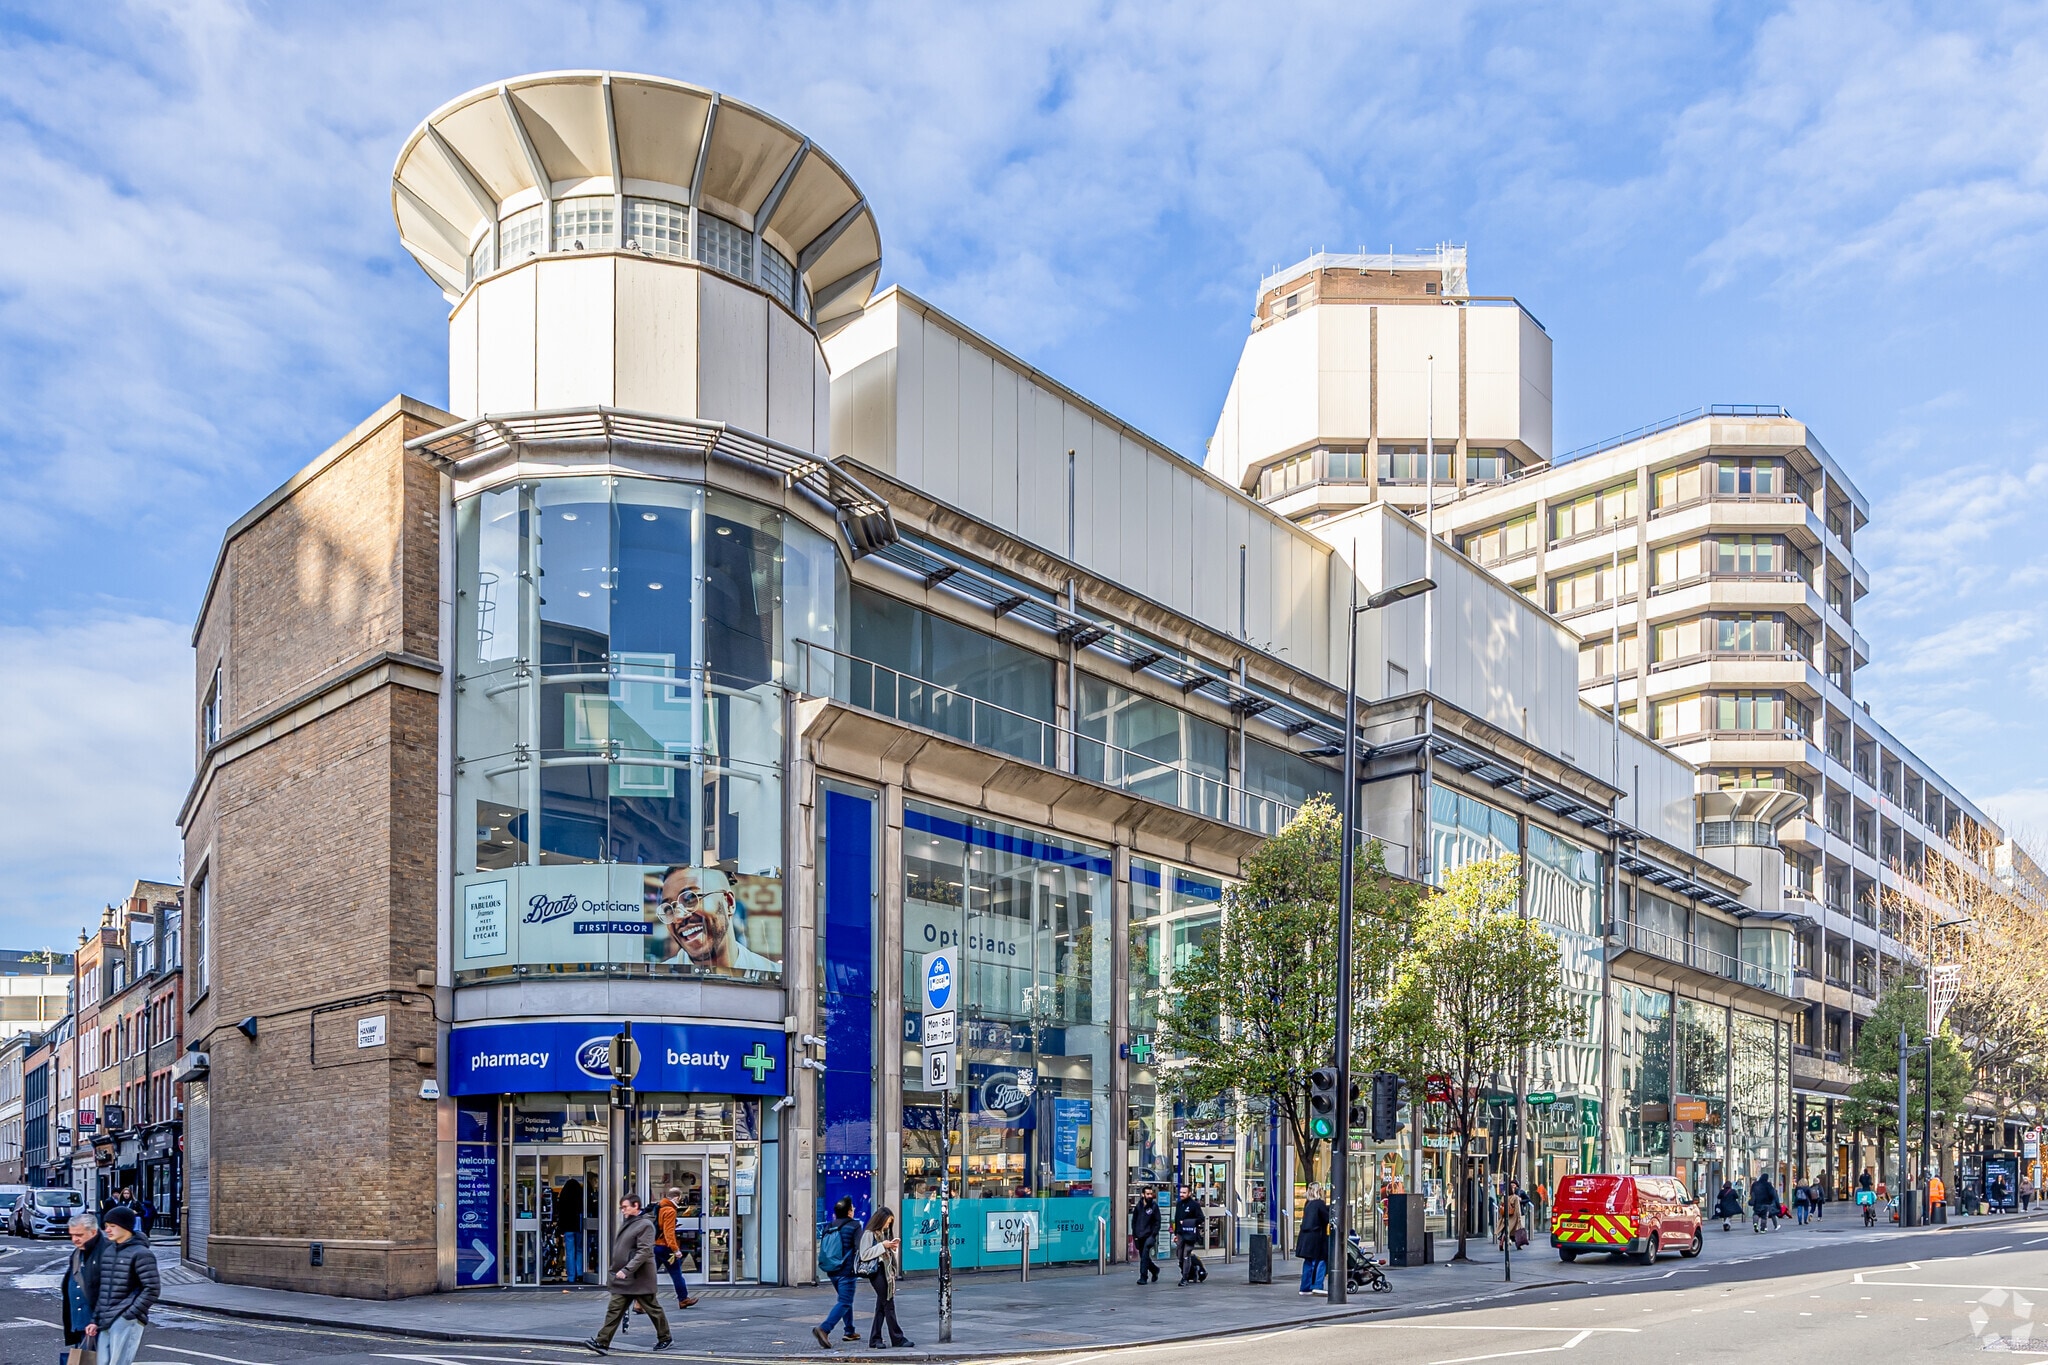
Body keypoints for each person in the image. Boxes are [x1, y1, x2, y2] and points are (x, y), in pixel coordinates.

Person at [584, 1195, 672, 1355]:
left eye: (625, 1207)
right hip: (625, 1279)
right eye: (622, 1207)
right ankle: (602, 1342)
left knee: (653, 1309)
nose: (623, 1210)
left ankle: (665, 1338)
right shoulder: (631, 1222)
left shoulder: (645, 1225)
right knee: (614, 1309)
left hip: (639, 1277)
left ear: (636, 1205)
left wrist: (626, 1270)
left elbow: (644, 1251)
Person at [652, 866, 775, 975]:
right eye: (668, 909)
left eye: (690, 898)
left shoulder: (772, 973)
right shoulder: (658, 980)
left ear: (729, 903)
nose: (677, 917)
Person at [93, 1207, 159, 1365]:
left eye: (112, 1226)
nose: (107, 1230)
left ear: (126, 1227)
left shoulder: (142, 1254)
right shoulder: (109, 1251)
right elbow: (104, 1289)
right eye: (106, 1225)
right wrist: (95, 1318)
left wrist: (130, 1314)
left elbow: (152, 1288)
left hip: (125, 1318)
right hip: (106, 1318)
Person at [856, 1206, 912, 1350]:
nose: (888, 1225)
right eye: (887, 1222)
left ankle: (875, 1339)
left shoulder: (882, 1233)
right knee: (888, 1304)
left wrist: (891, 1247)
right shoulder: (869, 1234)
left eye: (890, 1223)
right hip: (876, 1272)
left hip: (885, 1272)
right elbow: (864, 1254)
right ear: (880, 1220)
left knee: (882, 1306)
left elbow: (883, 1254)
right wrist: (883, 1245)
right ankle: (897, 1338)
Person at [811, 1196, 863, 1350]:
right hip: (847, 1270)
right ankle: (824, 1329)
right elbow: (859, 1247)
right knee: (845, 1301)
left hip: (832, 1270)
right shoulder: (854, 1225)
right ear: (849, 1212)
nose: (853, 1210)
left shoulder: (829, 1226)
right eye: (852, 1208)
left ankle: (849, 1331)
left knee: (845, 1299)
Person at [62, 1212, 109, 1363]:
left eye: (79, 1235)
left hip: (98, 1324)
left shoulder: (107, 1252)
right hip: (80, 1323)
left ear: (93, 1232)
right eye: (72, 1235)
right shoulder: (77, 1253)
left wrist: (96, 1320)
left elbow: (109, 1291)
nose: (74, 1239)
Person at [653, 1186, 700, 1310]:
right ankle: (683, 1299)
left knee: (650, 1275)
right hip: (666, 1248)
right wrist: (675, 1249)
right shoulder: (670, 1211)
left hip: (656, 1245)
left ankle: (639, 1303)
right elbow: (668, 1233)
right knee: (677, 1274)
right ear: (677, 1197)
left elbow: (661, 1227)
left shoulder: (659, 1207)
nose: (680, 1201)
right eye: (679, 1199)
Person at [1295, 1184, 1330, 1295]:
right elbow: (1327, 1218)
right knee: (1320, 1261)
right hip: (1317, 1238)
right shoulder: (1320, 1203)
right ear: (1319, 1191)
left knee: (1308, 1262)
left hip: (1305, 1238)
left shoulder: (1308, 1204)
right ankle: (1317, 1285)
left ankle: (1305, 1288)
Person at [1172, 1185, 1205, 1285]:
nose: (1181, 1195)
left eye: (1184, 1193)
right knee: (1179, 1255)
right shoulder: (1179, 1204)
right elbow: (1177, 1219)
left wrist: (1188, 1222)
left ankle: (1185, 1278)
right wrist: (1175, 1234)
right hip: (1180, 1233)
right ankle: (1192, 1271)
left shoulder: (1194, 1205)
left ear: (1189, 1193)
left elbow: (1201, 1218)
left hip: (1190, 1233)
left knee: (1186, 1254)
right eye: (1180, 1192)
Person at [1130, 1186, 1161, 1285]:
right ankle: (1155, 1270)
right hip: (1139, 1236)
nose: (1150, 1196)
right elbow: (1134, 1221)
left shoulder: (1154, 1206)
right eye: (1148, 1194)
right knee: (1144, 1257)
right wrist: (1135, 1234)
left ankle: (1143, 1277)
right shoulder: (1138, 1206)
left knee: (1144, 1255)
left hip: (1149, 1235)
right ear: (1143, 1195)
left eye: (1151, 1194)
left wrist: (1153, 1235)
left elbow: (1157, 1222)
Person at [557, 1176, 586, 1283]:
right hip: (579, 1226)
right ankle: (580, 1273)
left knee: (569, 1252)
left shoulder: (563, 1196)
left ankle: (571, 1276)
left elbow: (561, 1214)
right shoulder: (581, 1196)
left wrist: (560, 1230)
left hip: (568, 1227)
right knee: (579, 1250)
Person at [1497, 1179, 1526, 1254]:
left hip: (1506, 1215)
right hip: (1514, 1216)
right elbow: (1517, 1208)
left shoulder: (1504, 1197)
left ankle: (1502, 1240)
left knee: (1507, 1230)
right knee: (1517, 1230)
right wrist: (1519, 1217)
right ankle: (1518, 1245)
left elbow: (1501, 1206)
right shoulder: (1515, 1197)